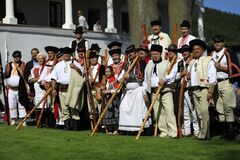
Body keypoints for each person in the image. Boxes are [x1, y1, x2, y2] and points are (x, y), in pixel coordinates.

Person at [143, 44, 177, 138]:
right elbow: (146, 79)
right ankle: (164, 131)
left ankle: (173, 132)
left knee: (169, 111)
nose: (155, 55)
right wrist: (144, 91)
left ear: (160, 54)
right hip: (154, 92)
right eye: (153, 54)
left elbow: (172, 75)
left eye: (156, 54)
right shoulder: (149, 64)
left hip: (165, 91)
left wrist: (165, 79)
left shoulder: (167, 63)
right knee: (158, 113)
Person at [187, 39, 217, 140]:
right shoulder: (192, 62)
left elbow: (212, 76)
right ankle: (203, 133)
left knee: (204, 111)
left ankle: (204, 134)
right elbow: (189, 75)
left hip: (204, 88)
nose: (196, 50)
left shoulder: (208, 60)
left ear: (202, 49)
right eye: (194, 49)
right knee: (199, 113)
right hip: (194, 89)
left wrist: (210, 91)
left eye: (198, 49)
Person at [211, 34, 239, 140]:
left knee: (228, 108)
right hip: (216, 83)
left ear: (223, 42)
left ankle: (231, 134)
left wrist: (221, 67)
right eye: (215, 42)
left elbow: (235, 67)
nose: (217, 43)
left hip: (227, 82)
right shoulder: (213, 53)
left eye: (219, 42)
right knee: (220, 109)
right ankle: (223, 133)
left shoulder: (228, 52)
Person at [118, 45, 150, 132]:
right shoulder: (126, 65)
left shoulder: (141, 63)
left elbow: (142, 78)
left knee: (137, 110)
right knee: (123, 107)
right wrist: (121, 79)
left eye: (132, 52)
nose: (130, 54)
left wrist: (130, 76)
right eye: (128, 53)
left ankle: (139, 129)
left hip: (137, 89)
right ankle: (126, 128)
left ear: (135, 53)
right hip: (127, 90)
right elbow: (121, 75)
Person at [51, 47, 84, 130]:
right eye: (65, 53)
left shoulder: (75, 63)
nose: (66, 55)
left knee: (73, 107)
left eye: (68, 53)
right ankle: (67, 125)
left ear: (70, 54)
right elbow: (53, 77)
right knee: (64, 108)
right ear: (62, 54)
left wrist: (75, 67)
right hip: (62, 89)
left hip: (72, 89)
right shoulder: (58, 65)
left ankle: (76, 126)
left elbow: (82, 73)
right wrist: (53, 89)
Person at [177, 45, 199, 137]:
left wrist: (188, 76)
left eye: (186, 51)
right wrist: (182, 74)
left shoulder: (193, 61)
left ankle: (197, 131)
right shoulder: (180, 62)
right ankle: (187, 131)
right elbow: (177, 76)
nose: (184, 53)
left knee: (193, 111)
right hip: (182, 89)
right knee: (185, 112)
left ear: (189, 52)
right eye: (182, 51)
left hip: (190, 88)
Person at [5, 51, 27, 126]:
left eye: (18, 57)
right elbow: (6, 74)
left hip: (19, 88)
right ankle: (13, 119)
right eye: (15, 57)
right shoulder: (9, 65)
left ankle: (23, 120)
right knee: (11, 104)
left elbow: (23, 74)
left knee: (21, 104)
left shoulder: (23, 64)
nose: (16, 58)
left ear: (20, 57)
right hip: (11, 89)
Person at [28, 53, 47, 126]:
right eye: (38, 59)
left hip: (44, 88)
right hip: (37, 89)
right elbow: (30, 79)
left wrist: (39, 79)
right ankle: (39, 122)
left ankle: (46, 122)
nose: (40, 60)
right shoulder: (34, 68)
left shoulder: (46, 67)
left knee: (45, 106)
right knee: (38, 106)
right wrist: (37, 79)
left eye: (41, 58)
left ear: (44, 59)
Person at [101, 66, 120, 134]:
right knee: (107, 114)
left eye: (109, 72)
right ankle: (109, 129)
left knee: (114, 113)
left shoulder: (114, 79)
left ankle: (115, 129)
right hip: (106, 99)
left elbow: (117, 90)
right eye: (106, 72)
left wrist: (108, 91)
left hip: (113, 99)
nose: (107, 73)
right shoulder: (105, 79)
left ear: (112, 72)